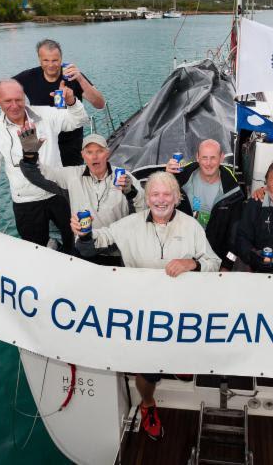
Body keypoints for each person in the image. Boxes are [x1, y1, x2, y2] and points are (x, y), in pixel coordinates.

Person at [71, 171, 221, 441]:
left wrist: (193, 263)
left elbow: (214, 262)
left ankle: (177, 362)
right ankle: (148, 404)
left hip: (181, 311)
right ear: (147, 198)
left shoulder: (192, 227)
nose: (160, 200)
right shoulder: (129, 224)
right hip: (142, 314)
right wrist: (83, 233)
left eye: (166, 195)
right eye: (154, 194)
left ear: (177, 198)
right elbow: (95, 243)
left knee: (182, 348)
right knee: (147, 369)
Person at [0, 79, 89, 251]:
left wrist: (71, 102)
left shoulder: (46, 115)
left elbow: (79, 120)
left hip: (60, 192)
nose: (14, 105)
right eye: (7, 101)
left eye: (18, 100)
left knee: (76, 240)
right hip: (26, 200)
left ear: (25, 98)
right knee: (34, 249)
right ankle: (51, 247)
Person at [18, 130, 145, 265]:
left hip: (119, 250)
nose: (94, 156)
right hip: (85, 248)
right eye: (89, 152)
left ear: (107, 153)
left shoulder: (125, 177)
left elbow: (142, 210)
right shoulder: (72, 176)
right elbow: (37, 174)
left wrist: (130, 191)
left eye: (99, 151)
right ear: (83, 155)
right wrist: (29, 155)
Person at [13, 39, 105, 166]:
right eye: (46, 60)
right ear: (39, 59)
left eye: (55, 60)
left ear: (61, 59)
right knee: (45, 181)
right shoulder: (29, 77)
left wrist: (80, 79)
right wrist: (20, 113)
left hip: (71, 144)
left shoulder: (72, 76)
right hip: (44, 143)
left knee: (71, 182)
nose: (51, 65)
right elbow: (5, 92)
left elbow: (100, 104)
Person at [165, 139, 244, 270]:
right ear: (197, 157)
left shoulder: (233, 194)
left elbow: (235, 236)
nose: (208, 163)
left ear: (221, 158)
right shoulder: (180, 180)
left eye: (213, 158)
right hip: (180, 254)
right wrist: (167, 177)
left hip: (213, 260)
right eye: (204, 158)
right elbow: (160, 202)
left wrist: (227, 265)